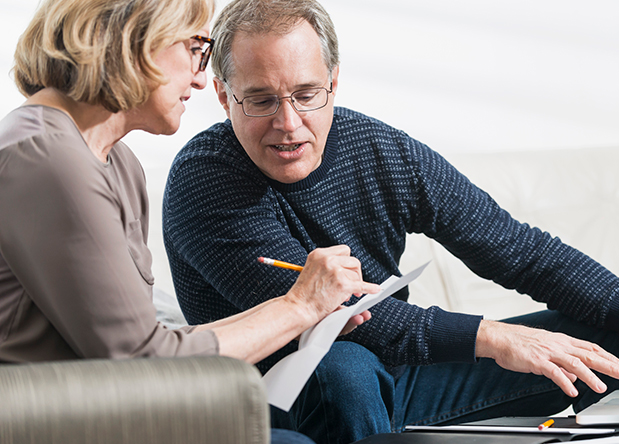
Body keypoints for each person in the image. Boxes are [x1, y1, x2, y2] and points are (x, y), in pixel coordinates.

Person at [162, 0, 619, 443]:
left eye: (305, 94)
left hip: (399, 373)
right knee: (340, 369)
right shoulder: (204, 181)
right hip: (280, 396)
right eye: (262, 100)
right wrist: (496, 336)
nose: (288, 122)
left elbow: (516, 249)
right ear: (224, 97)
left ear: (333, 86)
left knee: (606, 346)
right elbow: (339, 325)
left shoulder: (379, 151)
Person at [0, 1, 380, 443]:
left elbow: (147, 342)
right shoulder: (46, 159)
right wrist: (299, 307)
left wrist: (303, 311)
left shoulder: (115, 161)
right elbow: (141, 363)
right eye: (196, 47)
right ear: (134, 42)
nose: (202, 78)